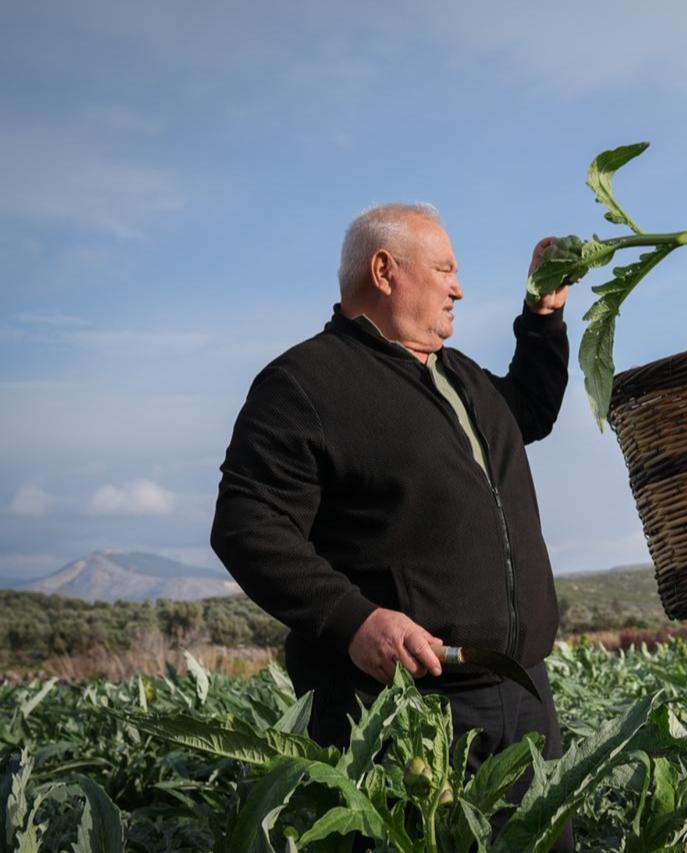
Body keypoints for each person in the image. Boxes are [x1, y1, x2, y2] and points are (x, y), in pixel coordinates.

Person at [211, 203, 573, 845]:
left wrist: (542, 317)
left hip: (522, 697)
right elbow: (248, 525)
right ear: (384, 271)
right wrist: (354, 620)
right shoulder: (303, 384)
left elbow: (531, 412)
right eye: (444, 269)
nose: (458, 287)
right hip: (404, 715)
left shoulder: (458, 376)